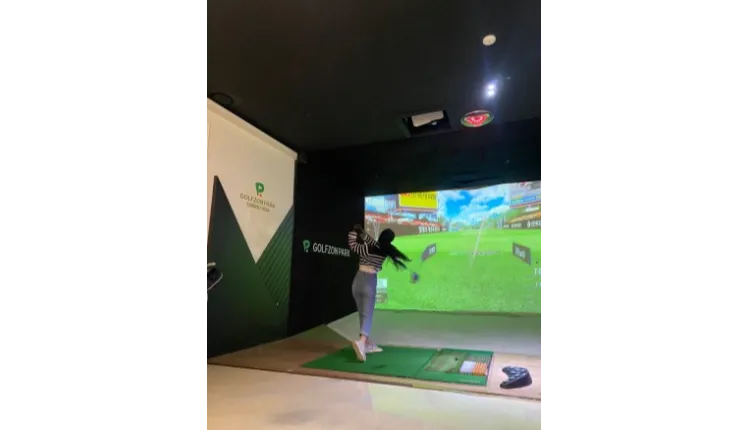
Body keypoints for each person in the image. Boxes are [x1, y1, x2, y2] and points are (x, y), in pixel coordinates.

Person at [347, 224, 411, 362]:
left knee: (362, 314)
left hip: (357, 282)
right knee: (368, 315)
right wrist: (361, 232)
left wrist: (353, 232)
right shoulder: (383, 251)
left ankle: (368, 344)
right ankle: (361, 342)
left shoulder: (367, 248)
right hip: (369, 282)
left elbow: (353, 245)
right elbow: (371, 241)